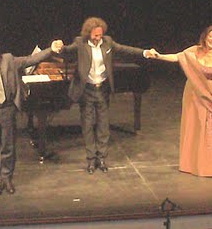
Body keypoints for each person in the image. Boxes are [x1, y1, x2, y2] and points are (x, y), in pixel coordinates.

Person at [0, 38, 62, 196]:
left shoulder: (8, 60)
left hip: (7, 111)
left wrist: (51, 49)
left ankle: (7, 178)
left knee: (8, 149)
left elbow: (31, 59)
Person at [54, 17, 152, 174]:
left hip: (102, 90)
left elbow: (125, 49)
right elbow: (67, 51)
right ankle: (91, 159)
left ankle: (101, 158)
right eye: (95, 35)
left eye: (100, 35)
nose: (98, 38)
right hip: (87, 90)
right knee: (87, 126)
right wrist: (58, 47)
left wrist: (145, 53)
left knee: (103, 125)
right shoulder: (80, 42)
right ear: (88, 33)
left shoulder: (108, 42)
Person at [150, 25, 212, 177]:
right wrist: (159, 56)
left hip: (210, 96)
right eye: (211, 36)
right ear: (205, 36)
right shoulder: (194, 51)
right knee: (194, 126)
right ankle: (191, 165)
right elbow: (177, 57)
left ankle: (210, 167)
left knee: (209, 129)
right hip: (193, 94)